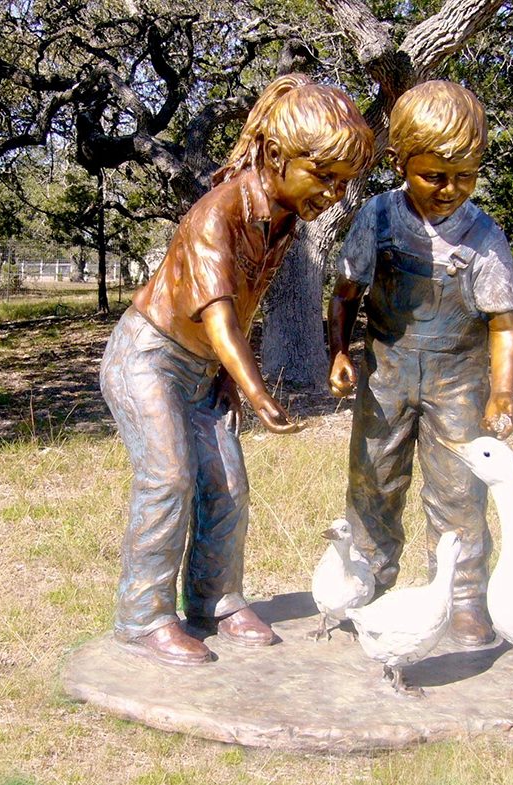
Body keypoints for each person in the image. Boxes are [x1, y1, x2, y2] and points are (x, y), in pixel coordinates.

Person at [100, 74, 374, 666]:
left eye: (343, 182)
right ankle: (143, 616)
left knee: (227, 484)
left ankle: (215, 600)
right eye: (324, 176)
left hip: (204, 371)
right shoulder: (214, 215)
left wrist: (227, 377)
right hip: (148, 359)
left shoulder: (282, 220)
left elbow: (244, 305)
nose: (334, 193)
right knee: (169, 479)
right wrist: (257, 389)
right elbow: (219, 315)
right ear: (275, 155)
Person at [327, 80, 513, 648]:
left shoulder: (485, 236)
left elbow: (504, 323)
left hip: (459, 381)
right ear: (398, 161)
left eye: (464, 176)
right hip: (385, 376)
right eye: (434, 175)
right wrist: (339, 351)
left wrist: (503, 393)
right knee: (373, 482)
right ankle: (367, 583)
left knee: (460, 490)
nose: (449, 189)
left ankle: (464, 598)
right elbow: (346, 293)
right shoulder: (377, 219)